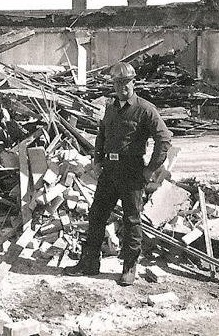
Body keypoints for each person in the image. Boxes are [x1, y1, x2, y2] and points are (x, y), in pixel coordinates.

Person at [64, 61, 172, 285]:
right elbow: (102, 133)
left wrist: (150, 169)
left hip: (132, 173)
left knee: (131, 219)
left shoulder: (145, 109)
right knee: (96, 216)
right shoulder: (111, 107)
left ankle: (129, 266)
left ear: (133, 83)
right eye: (117, 82)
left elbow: (164, 138)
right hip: (109, 172)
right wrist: (97, 159)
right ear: (113, 84)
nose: (122, 87)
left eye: (126, 82)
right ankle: (90, 263)